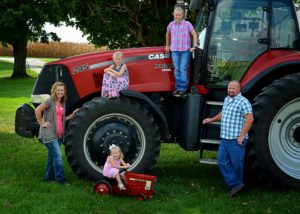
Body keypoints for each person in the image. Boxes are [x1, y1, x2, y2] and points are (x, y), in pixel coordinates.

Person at [202, 80, 254, 197]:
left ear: (239, 89)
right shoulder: (227, 99)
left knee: (236, 164)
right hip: (225, 138)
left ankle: (235, 189)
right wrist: (211, 119)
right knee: (221, 161)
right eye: (229, 88)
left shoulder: (243, 102)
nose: (230, 90)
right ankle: (236, 185)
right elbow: (223, 113)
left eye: (233, 88)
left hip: (236, 140)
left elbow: (250, 119)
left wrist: (241, 136)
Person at [35, 81, 78, 185]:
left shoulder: (62, 102)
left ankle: (48, 177)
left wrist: (73, 114)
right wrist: (42, 123)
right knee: (58, 157)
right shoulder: (50, 101)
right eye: (58, 90)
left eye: (62, 90)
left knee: (52, 157)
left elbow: (63, 119)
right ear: (54, 91)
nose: (60, 92)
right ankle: (61, 180)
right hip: (49, 134)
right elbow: (37, 110)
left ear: (64, 91)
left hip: (58, 134)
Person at [165, 6, 198, 97]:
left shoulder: (187, 24)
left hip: (185, 51)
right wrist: (167, 45)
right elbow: (167, 34)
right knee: (177, 69)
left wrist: (194, 45)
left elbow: (194, 34)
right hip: (174, 50)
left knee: (183, 69)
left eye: (180, 15)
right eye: (176, 15)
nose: (178, 16)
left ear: (183, 15)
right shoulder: (171, 25)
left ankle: (182, 88)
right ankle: (178, 87)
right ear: (173, 15)